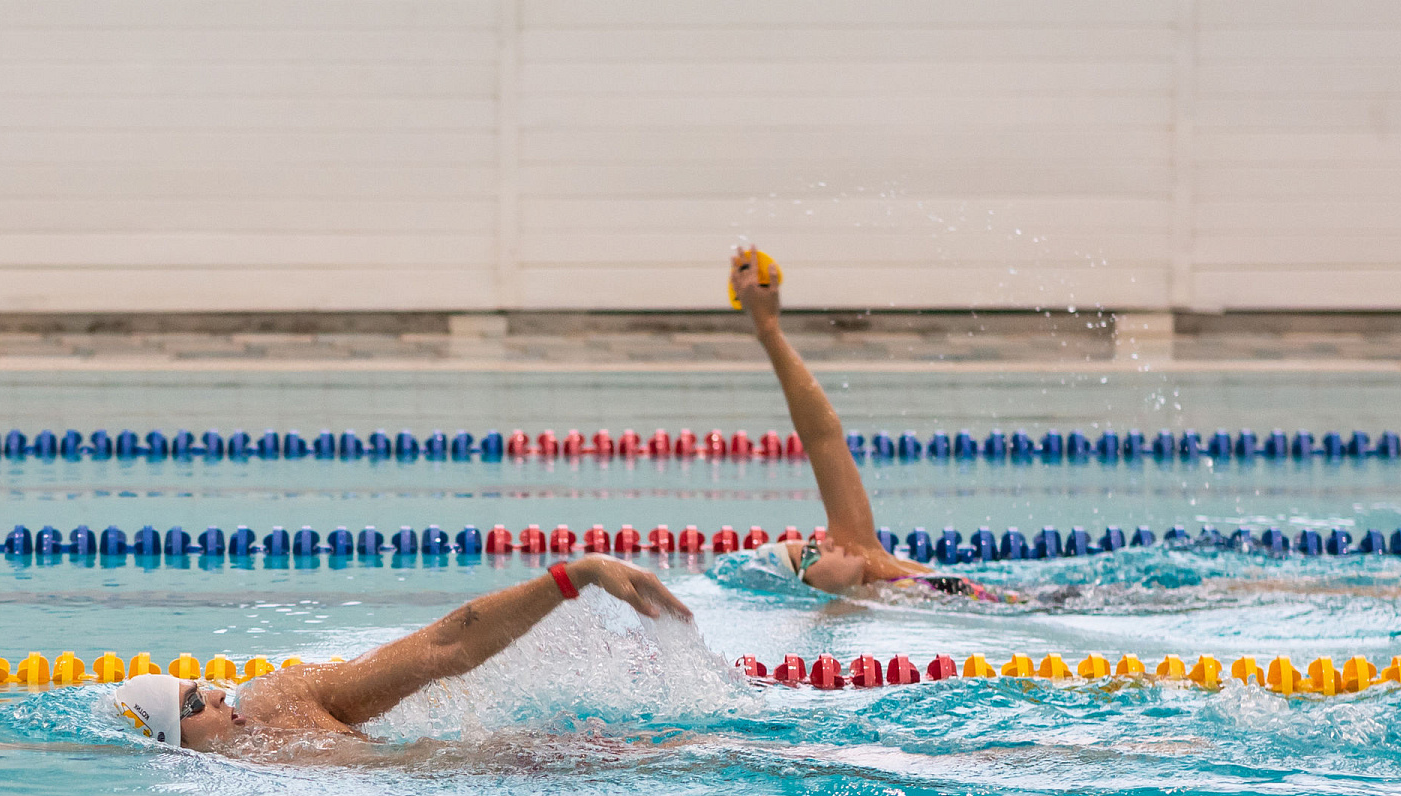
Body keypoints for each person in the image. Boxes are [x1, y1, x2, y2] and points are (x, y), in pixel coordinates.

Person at [113, 555, 689, 752]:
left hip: (520, 762)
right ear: (174, 747)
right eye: (193, 707)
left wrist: (572, 576)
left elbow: (441, 648)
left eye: (199, 685)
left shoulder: (285, 697)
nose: (214, 693)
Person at [728, 246, 1014, 602]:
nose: (823, 540)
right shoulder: (852, 602)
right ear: (809, 586)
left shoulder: (868, 558)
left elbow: (823, 436)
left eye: (812, 542)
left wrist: (768, 328)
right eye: (810, 554)